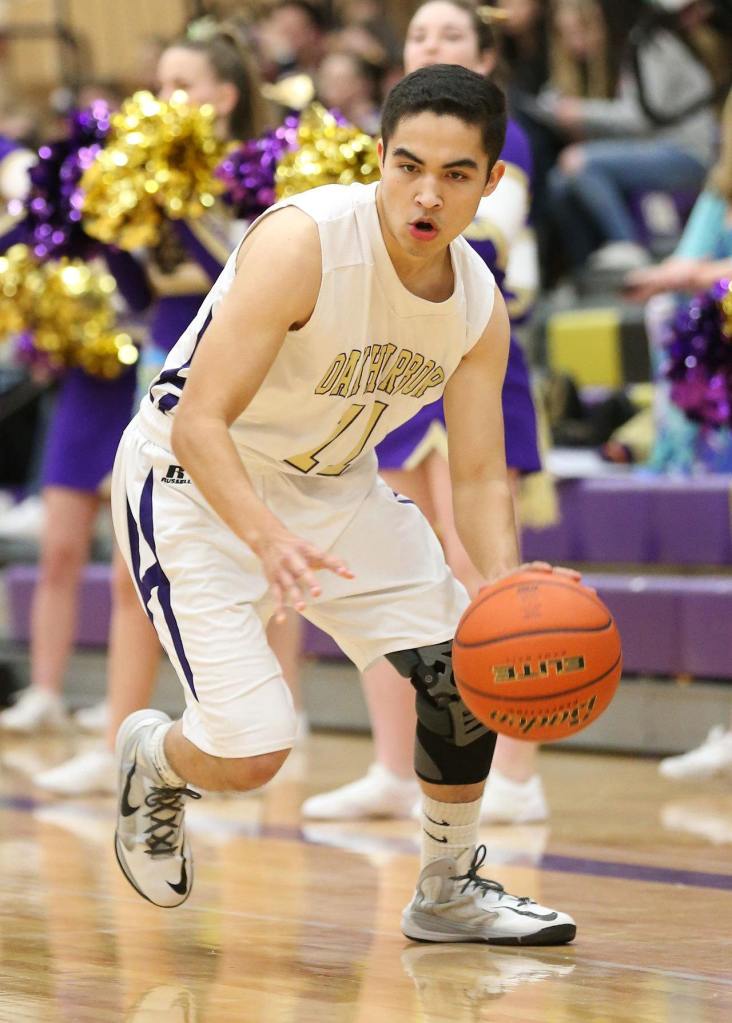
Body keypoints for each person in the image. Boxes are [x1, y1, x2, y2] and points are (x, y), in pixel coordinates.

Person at [110, 62, 578, 945]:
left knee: (464, 663)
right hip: (192, 481)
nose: (426, 195)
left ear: (493, 181)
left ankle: (447, 887)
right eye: (408, 166)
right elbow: (202, 420)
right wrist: (267, 536)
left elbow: (479, 475)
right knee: (253, 751)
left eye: (455, 174)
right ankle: (156, 758)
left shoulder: (478, 305)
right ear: (379, 159)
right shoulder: (306, 243)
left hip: (333, 490)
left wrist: (507, 590)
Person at [13, 25, 305, 794]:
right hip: (163, 369)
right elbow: (143, 297)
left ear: (224, 95)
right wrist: (110, 228)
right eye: (161, 84)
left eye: (183, 83)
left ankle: (278, 732)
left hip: (241, 379)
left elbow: (242, 283)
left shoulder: (256, 178)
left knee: (260, 560)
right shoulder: (154, 172)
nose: (165, 99)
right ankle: (122, 738)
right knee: (133, 571)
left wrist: (180, 209)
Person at [302, 0, 547, 826]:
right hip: (391, 361)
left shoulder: (506, 144)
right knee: (391, 578)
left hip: (474, 351)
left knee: (482, 562)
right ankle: (392, 765)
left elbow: (497, 242)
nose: (432, 44)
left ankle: (515, 767)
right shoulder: (377, 151)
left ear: (487, 53)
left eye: (451, 35)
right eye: (420, 35)